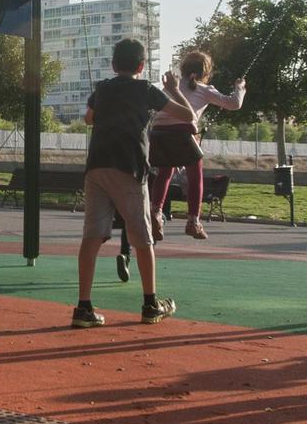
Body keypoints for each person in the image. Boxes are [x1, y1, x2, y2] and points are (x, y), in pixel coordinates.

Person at [72, 37, 195, 327]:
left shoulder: (101, 89)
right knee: (142, 238)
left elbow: (89, 119)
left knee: (92, 236)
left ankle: (83, 306)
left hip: (97, 167)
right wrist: (175, 90)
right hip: (129, 167)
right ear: (141, 65)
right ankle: (150, 303)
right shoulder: (146, 90)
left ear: (114, 65)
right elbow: (188, 116)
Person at [146, 49, 244, 241]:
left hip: (158, 132)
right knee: (194, 176)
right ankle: (193, 221)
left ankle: (156, 212)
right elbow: (233, 104)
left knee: (165, 173)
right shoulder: (205, 89)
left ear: (183, 69)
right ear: (205, 72)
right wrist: (240, 88)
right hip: (182, 132)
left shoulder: (169, 87)